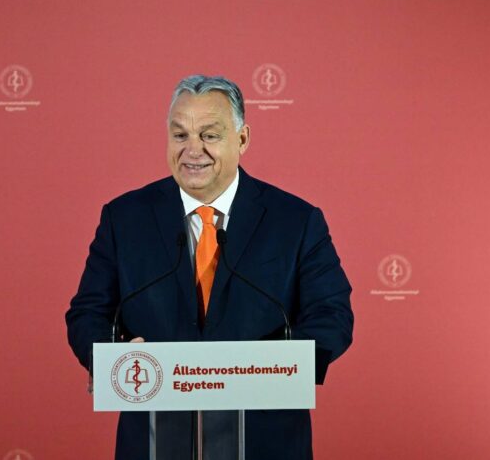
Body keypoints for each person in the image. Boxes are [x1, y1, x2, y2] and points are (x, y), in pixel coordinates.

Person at [66, 75, 353, 460]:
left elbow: (332, 315)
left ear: (243, 139)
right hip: (155, 437)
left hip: (265, 438)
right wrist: (109, 357)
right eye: (180, 135)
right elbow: (87, 313)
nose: (192, 150)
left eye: (209, 135)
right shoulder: (124, 218)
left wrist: (277, 368)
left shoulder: (296, 221)